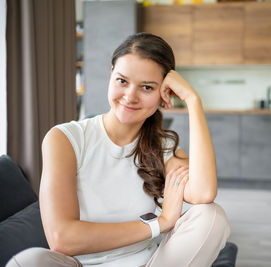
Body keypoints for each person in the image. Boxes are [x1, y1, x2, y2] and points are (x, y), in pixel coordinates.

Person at [6, 33, 230, 267]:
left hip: (148, 263)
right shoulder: (65, 139)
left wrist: (193, 100)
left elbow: (204, 194)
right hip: (78, 264)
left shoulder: (163, 148)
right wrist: (159, 223)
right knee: (30, 261)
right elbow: (62, 239)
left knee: (211, 216)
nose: (130, 96)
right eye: (122, 81)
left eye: (146, 87)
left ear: (164, 93)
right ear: (111, 74)